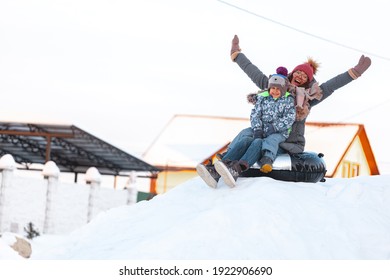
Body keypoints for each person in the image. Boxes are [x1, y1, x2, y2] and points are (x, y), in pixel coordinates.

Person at [196, 35, 371, 188]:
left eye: (305, 76)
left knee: (258, 143)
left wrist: (354, 72)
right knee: (247, 134)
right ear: (292, 73)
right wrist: (237, 55)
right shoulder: (275, 87)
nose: (300, 76)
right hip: (264, 134)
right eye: (299, 72)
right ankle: (220, 167)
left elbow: (331, 86)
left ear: (308, 82)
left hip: (287, 142)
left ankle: (235, 167)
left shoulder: (308, 98)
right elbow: (254, 72)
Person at [197, 67, 296, 188]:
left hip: (276, 133)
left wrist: (274, 127)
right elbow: (255, 115)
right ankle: (217, 169)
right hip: (261, 130)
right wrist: (257, 129)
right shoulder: (262, 98)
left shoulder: (288, 100)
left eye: (278, 89)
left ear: (283, 89)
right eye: (273, 88)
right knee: (246, 138)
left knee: (258, 142)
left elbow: (290, 118)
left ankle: (236, 169)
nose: (275, 91)